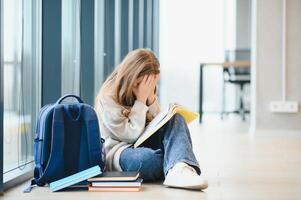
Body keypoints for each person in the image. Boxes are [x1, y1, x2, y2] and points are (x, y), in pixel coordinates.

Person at [94, 48, 208, 190]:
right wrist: (141, 100)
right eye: (139, 83)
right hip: (121, 151)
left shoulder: (146, 91)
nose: (143, 87)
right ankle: (173, 162)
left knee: (176, 118)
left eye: (149, 84)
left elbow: (158, 124)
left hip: (143, 142)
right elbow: (129, 136)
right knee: (148, 160)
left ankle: (180, 168)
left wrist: (151, 99)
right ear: (130, 75)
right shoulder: (108, 97)